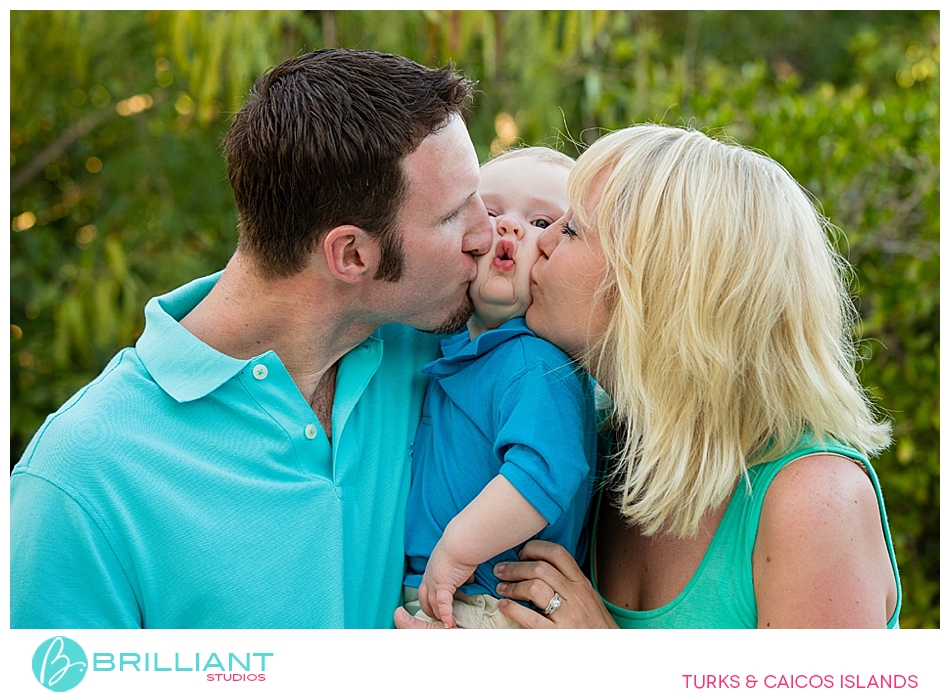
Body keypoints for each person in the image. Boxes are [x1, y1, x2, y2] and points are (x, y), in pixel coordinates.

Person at [10, 48, 493, 629]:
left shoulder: (442, 350)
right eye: (455, 215)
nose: (488, 233)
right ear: (351, 254)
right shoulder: (83, 478)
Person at [398, 124, 901, 630]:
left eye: (569, 229)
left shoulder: (815, 502)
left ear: (656, 285)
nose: (541, 241)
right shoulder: (608, 454)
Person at [399, 148, 598, 629]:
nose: (509, 228)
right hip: (449, 590)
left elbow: (547, 469)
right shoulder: (459, 344)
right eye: (489, 213)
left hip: (488, 602)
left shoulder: (536, 365)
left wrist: (457, 547)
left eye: (543, 222)